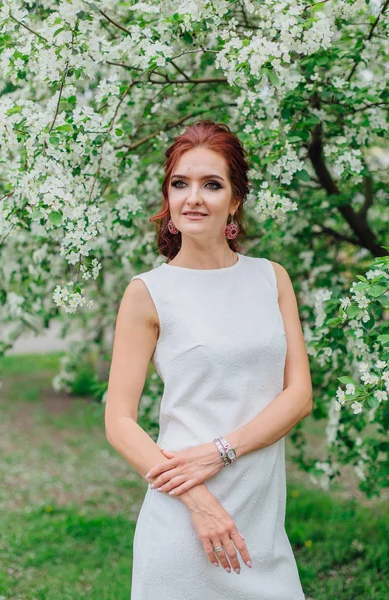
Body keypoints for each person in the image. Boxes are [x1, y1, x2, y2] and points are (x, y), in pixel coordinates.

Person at [105, 120, 312, 599]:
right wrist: (197, 500)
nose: (193, 197)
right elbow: (119, 420)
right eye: (181, 183)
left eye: (211, 184)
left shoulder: (271, 278)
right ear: (168, 198)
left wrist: (222, 449)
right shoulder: (148, 292)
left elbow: (299, 396)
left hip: (261, 519)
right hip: (184, 520)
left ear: (235, 200)